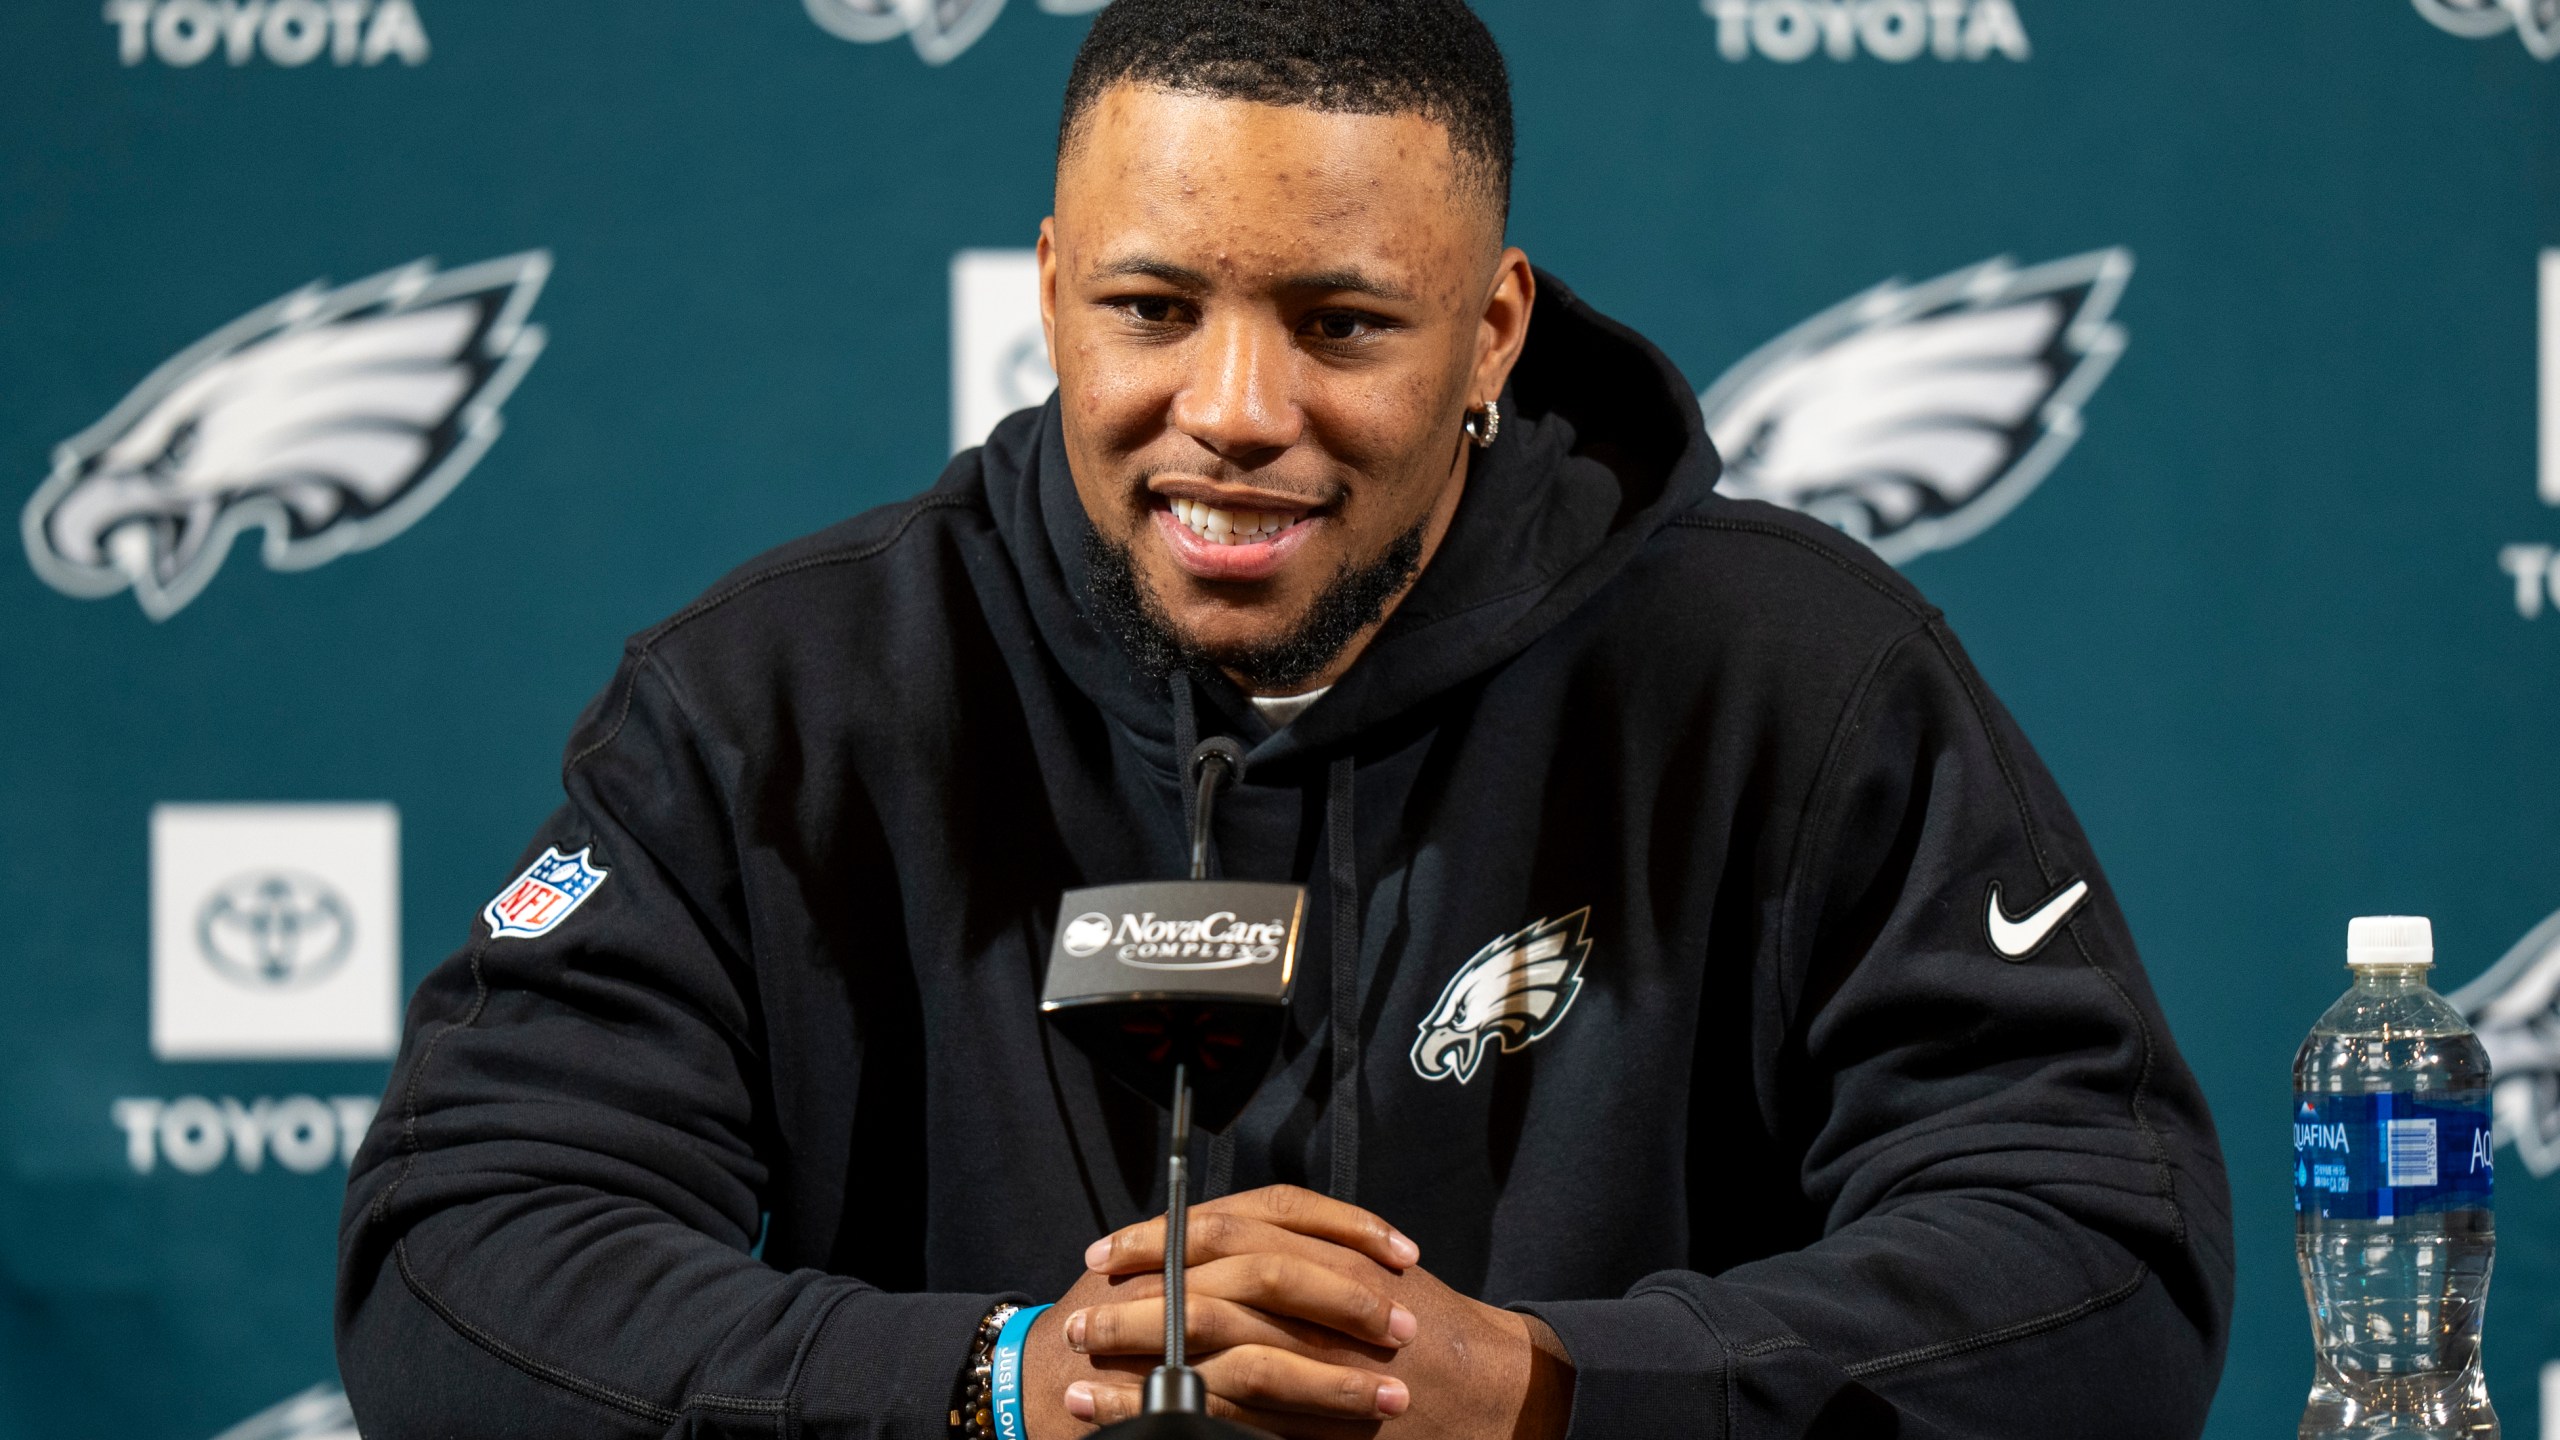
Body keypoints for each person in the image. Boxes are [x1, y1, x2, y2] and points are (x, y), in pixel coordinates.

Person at [336, 0, 2234, 1435]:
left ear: (1493, 331)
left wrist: (1563, 1394)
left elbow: (2099, 1254)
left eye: (1340, 324)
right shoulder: (777, 698)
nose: (1234, 409)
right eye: (1155, 308)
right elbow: (464, 1254)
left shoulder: (1798, 674)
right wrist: (991, 1386)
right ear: (1058, 291)